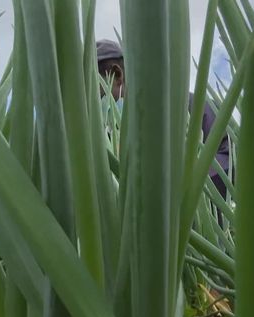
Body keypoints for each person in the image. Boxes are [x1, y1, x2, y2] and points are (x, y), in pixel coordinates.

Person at [96, 39, 230, 199]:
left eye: (99, 93)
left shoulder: (184, 106)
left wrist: (175, 185)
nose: (97, 104)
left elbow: (231, 155)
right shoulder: (112, 135)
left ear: (116, 74)